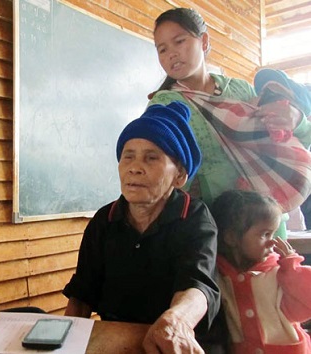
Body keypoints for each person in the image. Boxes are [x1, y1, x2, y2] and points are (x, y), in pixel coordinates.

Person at [63, 101, 220, 354]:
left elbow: (198, 285)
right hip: (118, 342)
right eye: (128, 156)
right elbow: (83, 292)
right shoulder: (105, 219)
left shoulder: (194, 217)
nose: (134, 167)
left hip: (176, 344)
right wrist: (62, 343)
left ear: (179, 175)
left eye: (151, 157)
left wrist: (176, 321)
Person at [148, 8, 311, 233]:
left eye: (179, 41)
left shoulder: (240, 89)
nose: (171, 54)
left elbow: (290, 142)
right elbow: (159, 170)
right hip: (210, 228)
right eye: (162, 49)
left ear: (203, 41)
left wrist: (297, 118)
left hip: (265, 222)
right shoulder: (164, 104)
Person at [211, 189, 311, 353]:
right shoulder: (220, 273)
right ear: (231, 238)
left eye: (273, 234)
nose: (271, 243)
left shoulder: (279, 272)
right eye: (265, 234)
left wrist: (292, 267)